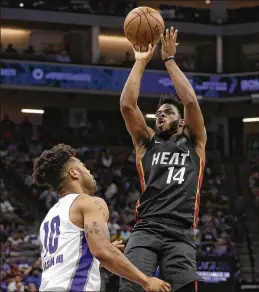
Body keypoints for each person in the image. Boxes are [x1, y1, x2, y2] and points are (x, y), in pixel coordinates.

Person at [119, 27, 207, 292]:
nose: (159, 116)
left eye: (167, 112)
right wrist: (141, 61)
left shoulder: (194, 143)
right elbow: (126, 105)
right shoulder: (146, 142)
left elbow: (190, 102)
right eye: (157, 113)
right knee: (130, 288)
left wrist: (169, 60)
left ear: (181, 122)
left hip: (180, 231)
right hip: (146, 229)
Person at [32, 144, 171, 292]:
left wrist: (95, 258)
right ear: (74, 173)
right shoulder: (89, 202)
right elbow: (102, 252)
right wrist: (146, 280)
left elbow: (66, 263)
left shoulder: (49, 217)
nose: (89, 170)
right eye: (83, 166)